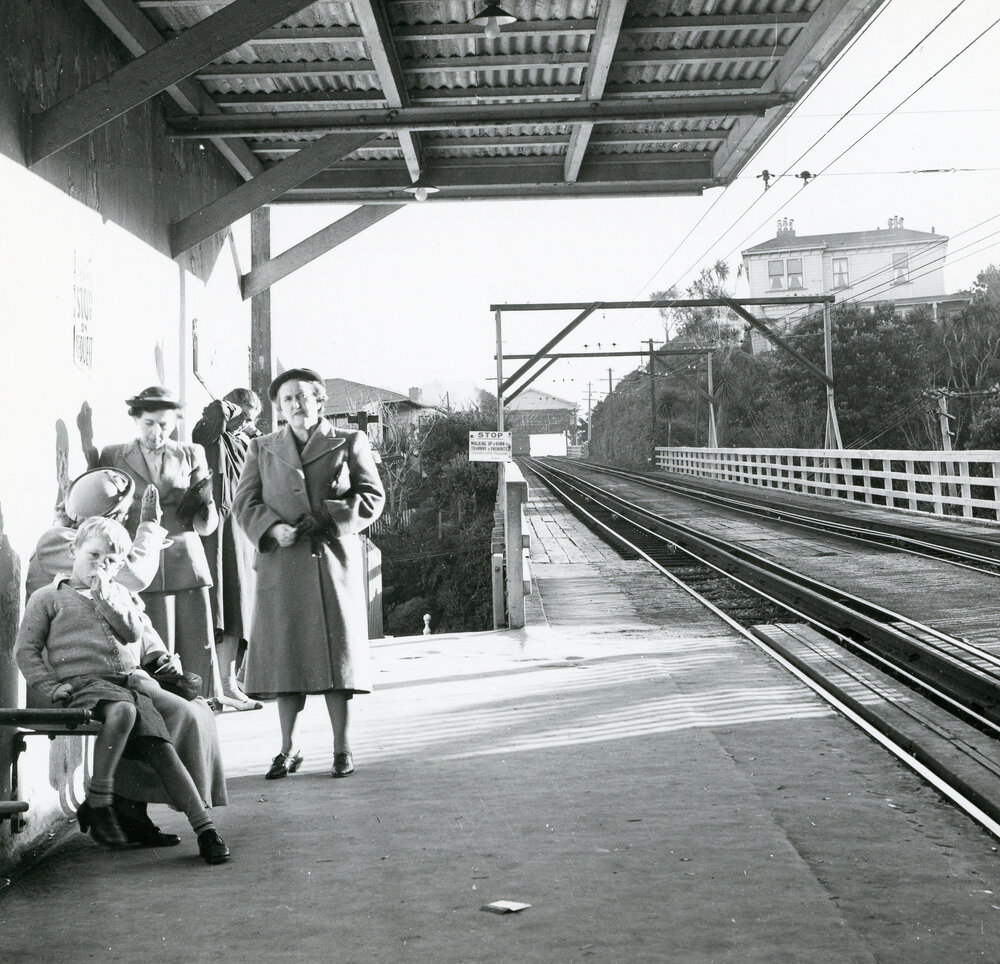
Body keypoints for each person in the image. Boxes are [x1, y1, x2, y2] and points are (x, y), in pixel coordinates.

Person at [25, 466, 228, 847]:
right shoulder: (58, 544)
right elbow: (134, 576)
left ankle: (160, 812)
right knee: (165, 716)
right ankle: (123, 804)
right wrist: (149, 527)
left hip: (122, 676)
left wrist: (158, 653)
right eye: (120, 514)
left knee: (191, 712)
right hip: (77, 680)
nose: (105, 562)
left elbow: (132, 613)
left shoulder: (97, 558)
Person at [233, 368, 385, 779]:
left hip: (331, 561)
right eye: (287, 400)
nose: (297, 405)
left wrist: (331, 519)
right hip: (281, 566)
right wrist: (270, 527)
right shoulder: (261, 448)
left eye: (303, 397)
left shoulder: (349, 441)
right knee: (287, 661)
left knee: (338, 663)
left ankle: (342, 748)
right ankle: (288, 748)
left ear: (320, 400)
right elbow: (243, 502)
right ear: (279, 409)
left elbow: (372, 496)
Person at [98, 386, 221, 698]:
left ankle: (199, 708)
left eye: (165, 424)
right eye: (149, 423)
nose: (157, 432)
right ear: (136, 420)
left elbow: (208, 525)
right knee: (148, 645)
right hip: (138, 558)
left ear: (175, 422)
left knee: (193, 644)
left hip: (184, 559)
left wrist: (204, 504)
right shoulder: (112, 455)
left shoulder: (193, 454)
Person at [191, 390, 262, 710]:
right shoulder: (211, 436)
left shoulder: (242, 444)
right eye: (245, 416)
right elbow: (213, 414)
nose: (248, 422)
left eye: (253, 418)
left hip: (240, 535)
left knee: (236, 607)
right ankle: (214, 688)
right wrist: (233, 410)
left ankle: (229, 684)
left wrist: (248, 427)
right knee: (215, 607)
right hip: (213, 534)